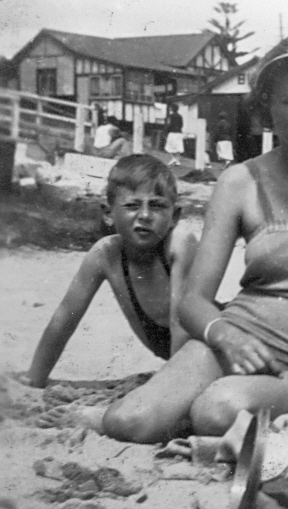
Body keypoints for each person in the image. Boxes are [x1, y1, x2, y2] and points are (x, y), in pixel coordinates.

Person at [79, 33, 288, 444]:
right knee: (129, 421)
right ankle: (197, 418)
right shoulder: (239, 182)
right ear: (267, 104)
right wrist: (226, 336)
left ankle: (213, 419)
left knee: (220, 409)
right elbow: (194, 302)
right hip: (242, 336)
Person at [21, 155, 198, 427]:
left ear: (175, 215)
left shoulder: (179, 243)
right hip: (181, 361)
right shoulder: (106, 254)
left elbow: (182, 325)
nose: (146, 216)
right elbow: (62, 321)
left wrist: (167, 394)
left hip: (205, 348)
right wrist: (35, 379)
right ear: (107, 212)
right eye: (131, 205)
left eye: (158, 206)